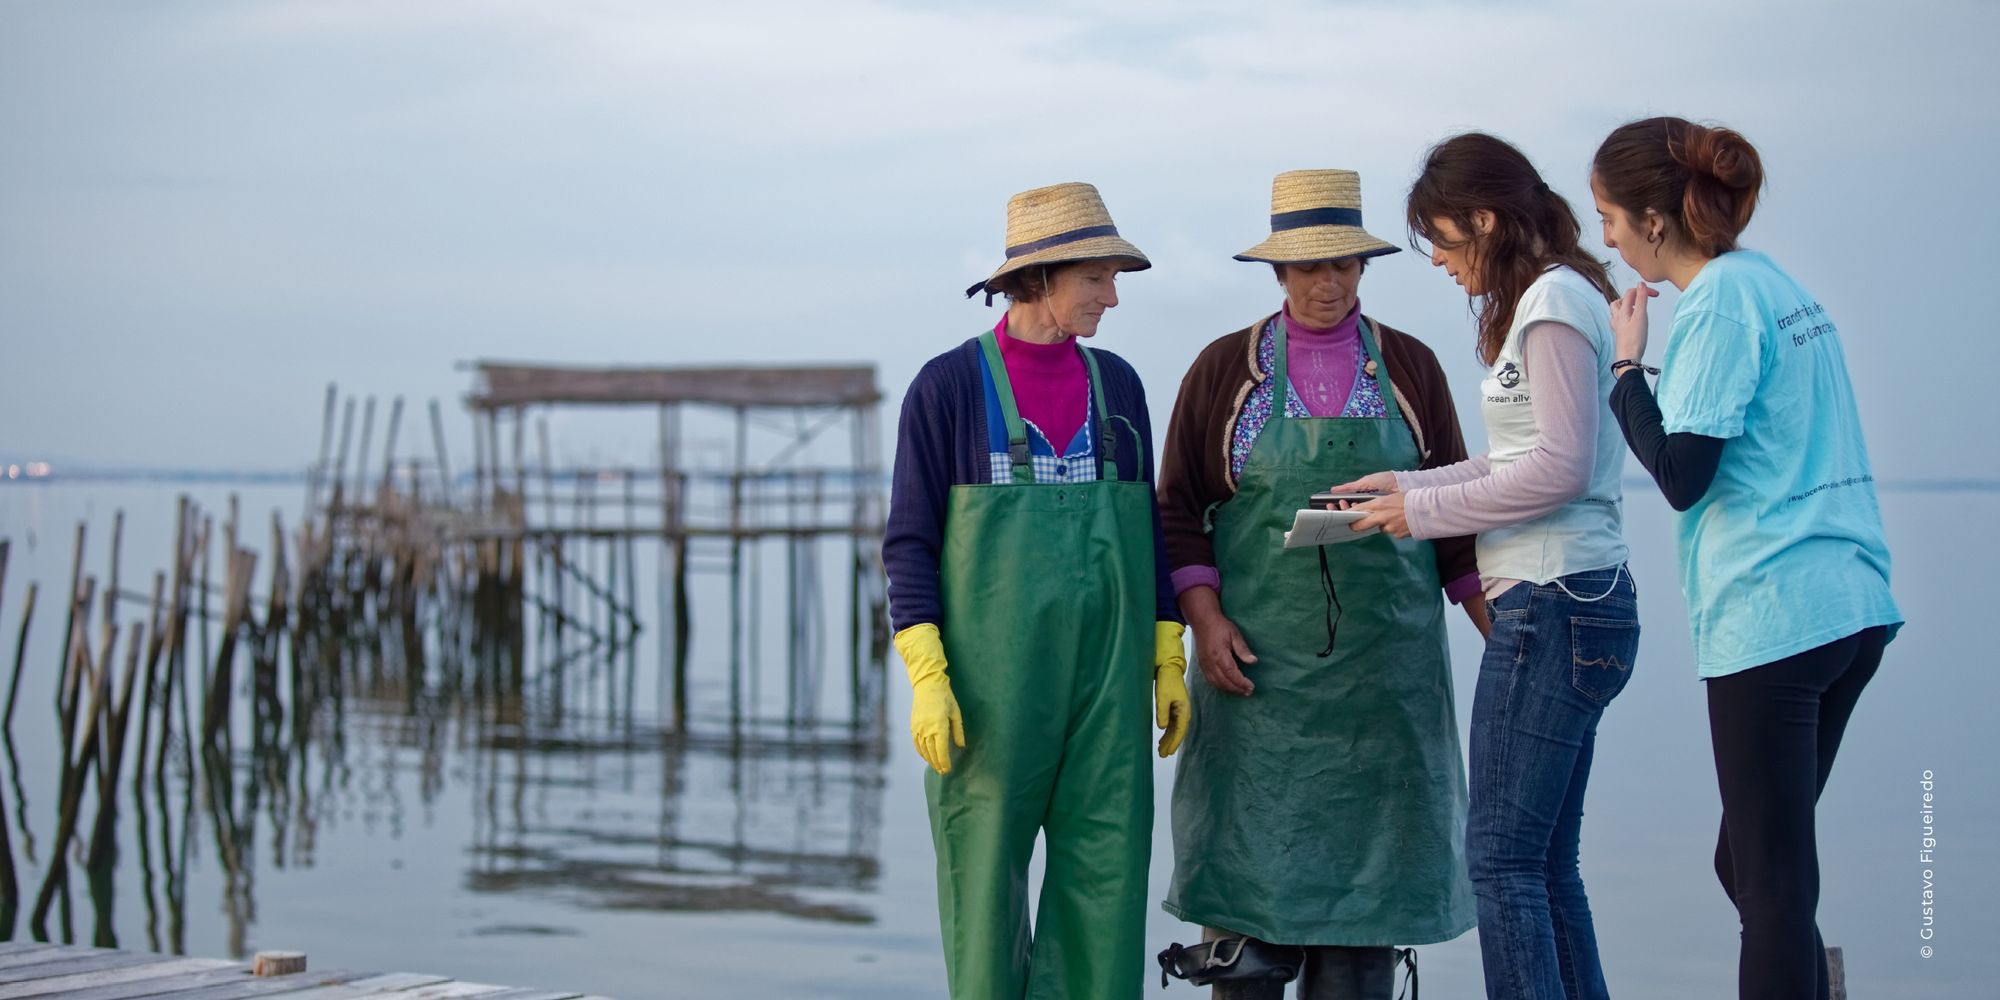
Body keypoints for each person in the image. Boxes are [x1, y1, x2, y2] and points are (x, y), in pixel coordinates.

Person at [1589, 118, 1902, 1000]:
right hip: (1851, 605)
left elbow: (1685, 475)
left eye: (1609, 216)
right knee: (1753, 864)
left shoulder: (1721, 300)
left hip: (1776, 614)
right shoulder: (1776, 283)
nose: (1606, 236)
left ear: (1655, 218)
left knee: (1769, 886)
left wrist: (1625, 371)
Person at [1157, 169, 1483, 1000]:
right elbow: (1179, 510)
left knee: (1359, 953)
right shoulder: (1223, 372)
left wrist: (1502, 632)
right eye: (1309, 267)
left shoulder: (1409, 367)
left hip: (1386, 698)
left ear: (1364, 268)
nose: (1328, 283)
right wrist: (1204, 620)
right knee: (1248, 945)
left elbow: (1452, 514)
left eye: (1344, 265)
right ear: (1279, 273)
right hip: (1256, 688)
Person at [1335, 133, 1639, 1000]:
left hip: (1552, 604)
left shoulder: (1549, 303)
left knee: (1502, 861)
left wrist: (1420, 513)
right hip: (1582, 598)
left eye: (1440, 237)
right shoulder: (1566, 295)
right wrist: (1405, 482)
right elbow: (1519, 460)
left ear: (1483, 219)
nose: (1435, 258)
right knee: (1545, 865)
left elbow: (1560, 470)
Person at [882, 181, 1190, 1000]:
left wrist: (1167, 654)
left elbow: (1149, 533)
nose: (1112, 296)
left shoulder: (1119, 388)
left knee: (1108, 880)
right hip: (988, 695)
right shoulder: (946, 390)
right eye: (1097, 277)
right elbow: (908, 543)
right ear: (1042, 276)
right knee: (983, 888)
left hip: (1107, 693)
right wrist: (928, 675)